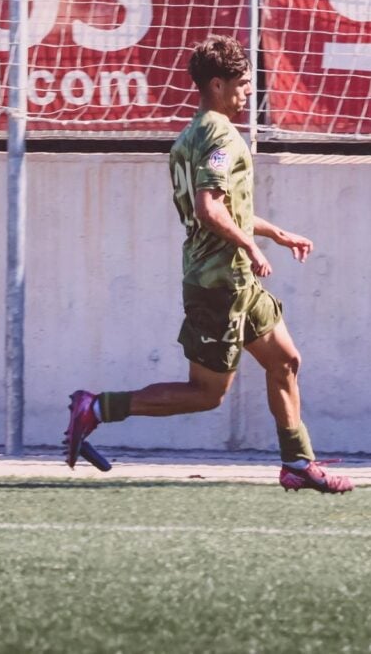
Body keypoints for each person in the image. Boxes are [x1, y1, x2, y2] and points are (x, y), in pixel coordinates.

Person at [63, 35, 353, 495]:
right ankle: (96, 408)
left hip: (234, 279)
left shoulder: (189, 137)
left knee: (285, 362)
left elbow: (225, 210)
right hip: (218, 283)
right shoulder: (220, 137)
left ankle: (298, 463)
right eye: (241, 83)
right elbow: (208, 209)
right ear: (216, 84)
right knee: (207, 394)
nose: (247, 92)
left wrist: (275, 234)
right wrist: (253, 249)